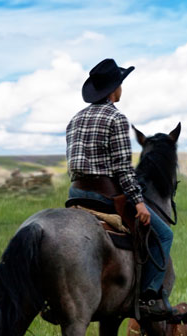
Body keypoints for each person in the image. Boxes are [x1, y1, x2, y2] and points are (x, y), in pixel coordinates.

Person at [67, 58, 175, 319]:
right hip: (105, 196)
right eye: (121, 84)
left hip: (76, 195)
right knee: (163, 236)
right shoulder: (116, 118)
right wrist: (138, 203)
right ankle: (149, 296)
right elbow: (124, 169)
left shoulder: (75, 120)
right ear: (115, 89)